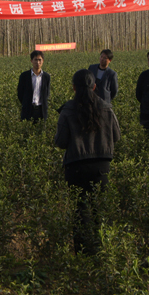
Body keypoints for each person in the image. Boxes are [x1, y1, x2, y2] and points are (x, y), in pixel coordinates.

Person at [54, 69, 121, 254]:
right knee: (99, 209)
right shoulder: (106, 108)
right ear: (94, 86)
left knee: (80, 211)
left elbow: (60, 142)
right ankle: (102, 251)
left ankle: (84, 256)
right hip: (102, 166)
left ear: (74, 88)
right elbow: (116, 136)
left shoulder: (68, 109)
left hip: (76, 167)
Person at [17, 50, 51, 122]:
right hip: (28, 110)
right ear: (31, 61)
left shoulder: (46, 77)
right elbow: (20, 93)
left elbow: (47, 93)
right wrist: (25, 103)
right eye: (35, 60)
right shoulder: (24, 76)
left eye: (39, 60)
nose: (37, 62)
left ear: (43, 61)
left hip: (41, 111)